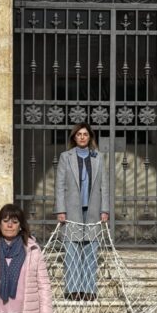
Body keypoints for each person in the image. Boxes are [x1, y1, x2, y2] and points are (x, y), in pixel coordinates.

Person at [54, 122, 109, 301]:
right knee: (71, 249)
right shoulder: (65, 157)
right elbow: (60, 185)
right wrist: (60, 209)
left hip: (93, 209)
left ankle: (89, 290)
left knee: (90, 250)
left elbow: (104, 186)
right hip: (71, 210)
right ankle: (73, 289)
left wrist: (105, 209)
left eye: (85, 134)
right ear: (74, 137)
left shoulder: (99, 157)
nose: (82, 137)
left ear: (90, 137)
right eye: (79, 134)